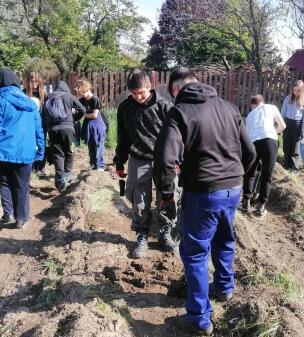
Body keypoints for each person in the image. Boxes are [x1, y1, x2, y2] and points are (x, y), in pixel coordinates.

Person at [153, 67, 256, 336]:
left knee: (195, 253)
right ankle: (224, 287)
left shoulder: (180, 112)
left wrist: (166, 195)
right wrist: (235, 176)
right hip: (233, 189)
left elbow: (165, 160)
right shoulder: (229, 107)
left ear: (176, 89)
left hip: (202, 192)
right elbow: (251, 152)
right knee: (224, 239)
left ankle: (199, 318)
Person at [113, 69, 176, 257]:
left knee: (168, 195)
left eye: (141, 92)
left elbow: (175, 136)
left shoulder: (164, 106)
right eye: (134, 93)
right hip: (138, 158)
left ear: (150, 87)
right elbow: (122, 137)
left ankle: (165, 231)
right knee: (139, 198)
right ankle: (142, 234)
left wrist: (177, 159)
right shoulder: (125, 108)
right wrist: (119, 161)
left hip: (163, 159)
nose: (138, 97)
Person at [0, 68, 45, 228]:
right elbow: (39, 130)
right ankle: (21, 218)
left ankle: (8, 214)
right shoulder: (31, 103)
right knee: (22, 186)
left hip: (3, 152)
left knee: (4, 184)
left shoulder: (1, 100)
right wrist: (40, 152)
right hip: (26, 152)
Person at [241, 94, 285, 217]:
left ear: (253, 105)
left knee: (250, 173)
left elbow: (248, 136)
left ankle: (246, 201)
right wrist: (274, 133)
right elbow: (282, 126)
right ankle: (261, 206)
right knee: (267, 174)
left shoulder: (250, 115)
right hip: (270, 141)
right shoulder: (271, 107)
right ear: (262, 102)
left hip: (254, 143)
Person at [43, 80, 86, 192]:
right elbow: (82, 110)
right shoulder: (69, 96)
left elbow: (44, 114)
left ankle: (60, 178)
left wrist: (48, 128)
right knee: (69, 151)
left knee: (58, 154)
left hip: (53, 130)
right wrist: (73, 120)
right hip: (67, 129)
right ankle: (66, 176)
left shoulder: (48, 97)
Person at [74, 79, 106, 171]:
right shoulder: (82, 100)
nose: (81, 95)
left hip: (97, 126)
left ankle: (100, 166)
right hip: (88, 125)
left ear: (86, 90)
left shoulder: (95, 99)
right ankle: (93, 164)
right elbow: (76, 109)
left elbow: (94, 115)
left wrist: (83, 115)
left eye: (82, 93)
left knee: (98, 146)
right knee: (91, 146)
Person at [281, 80, 304, 170]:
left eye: (298, 91)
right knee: (286, 145)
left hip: (297, 125)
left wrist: (303, 130)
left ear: (302, 90)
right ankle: (287, 164)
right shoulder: (288, 98)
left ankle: (295, 167)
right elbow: (282, 112)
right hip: (287, 123)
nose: (296, 92)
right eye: (294, 90)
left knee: (295, 148)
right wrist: (281, 125)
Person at [23, 72, 48, 176]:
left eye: (36, 81)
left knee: (41, 144)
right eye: (32, 81)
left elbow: (46, 109)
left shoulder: (43, 94)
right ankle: (31, 166)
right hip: (28, 123)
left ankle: (41, 167)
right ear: (28, 82)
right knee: (30, 144)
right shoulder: (23, 93)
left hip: (41, 123)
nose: (34, 83)